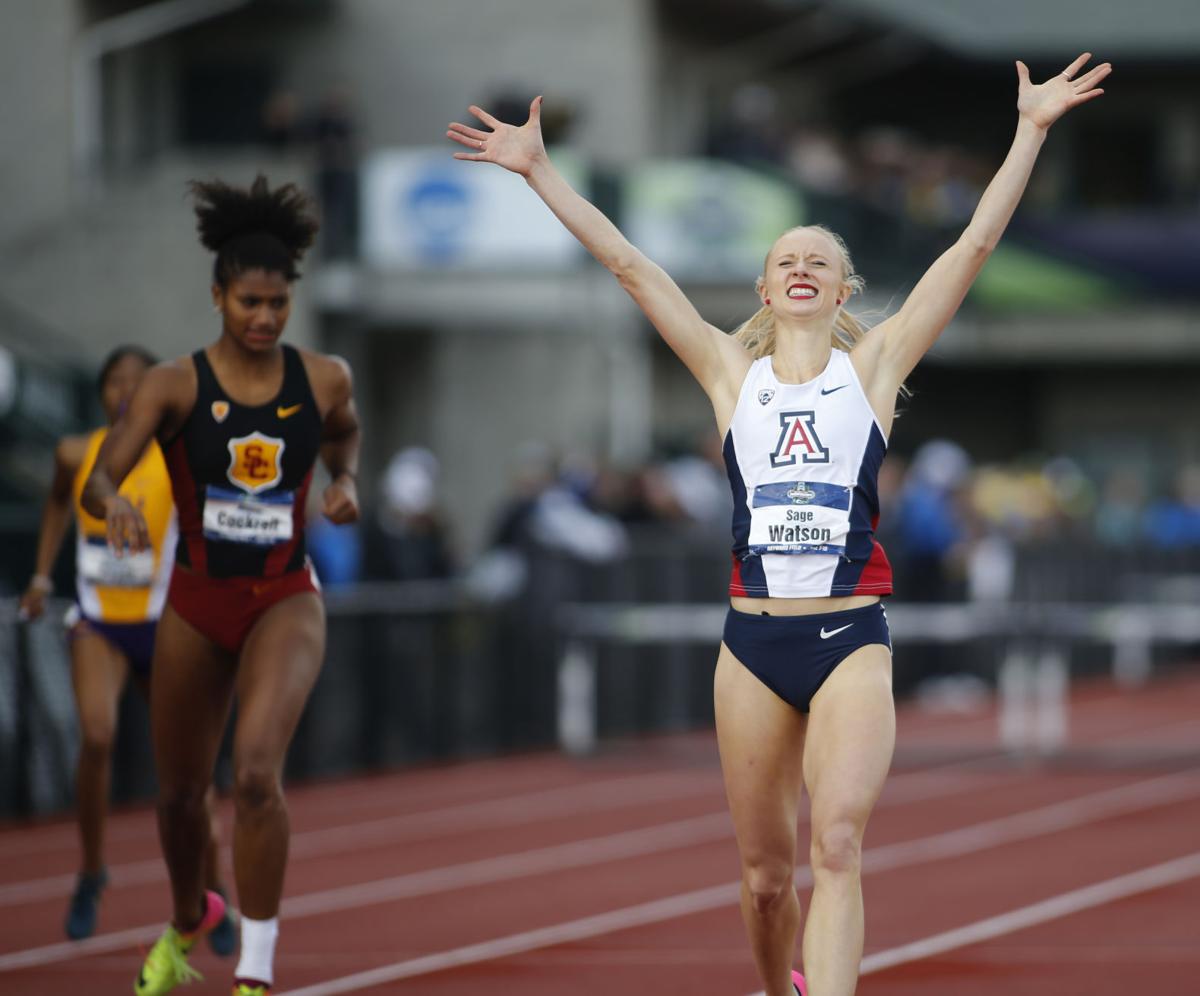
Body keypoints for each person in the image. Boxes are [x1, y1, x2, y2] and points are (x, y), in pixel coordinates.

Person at [449, 53, 1109, 995]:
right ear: (764, 291)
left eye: (820, 263)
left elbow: (969, 248)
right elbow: (632, 267)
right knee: (765, 881)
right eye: (785, 262)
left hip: (850, 639)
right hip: (752, 646)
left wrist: (1030, 131)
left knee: (836, 845)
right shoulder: (730, 376)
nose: (802, 271)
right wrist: (540, 171)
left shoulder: (873, 368)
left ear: (844, 292)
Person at [83, 175, 360, 996]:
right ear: (217, 296)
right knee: (177, 797)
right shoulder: (171, 385)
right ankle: (186, 918)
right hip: (196, 605)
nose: (264, 318)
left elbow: (344, 436)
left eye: (278, 303)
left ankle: (255, 973)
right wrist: (119, 511)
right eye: (248, 302)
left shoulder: (324, 379)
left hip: (284, 599)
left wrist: (344, 483)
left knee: (254, 775)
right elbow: (102, 478)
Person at [19, 346, 235, 954]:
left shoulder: (177, 457)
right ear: (101, 390)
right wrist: (41, 574)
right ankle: (91, 872)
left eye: (137, 383)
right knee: (97, 735)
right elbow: (59, 499)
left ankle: (212, 890)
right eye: (114, 380)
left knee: (188, 775)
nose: (124, 390)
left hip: (167, 625)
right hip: (99, 622)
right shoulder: (76, 452)